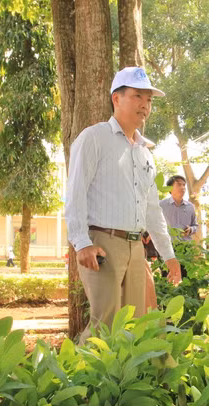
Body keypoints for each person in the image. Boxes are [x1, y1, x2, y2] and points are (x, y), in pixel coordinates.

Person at [65, 66, 181, 339]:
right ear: (116, 99)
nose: (145, 105)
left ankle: (127, 371)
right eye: (137, 96)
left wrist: (169, 255)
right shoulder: (94, 138)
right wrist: (81, 242)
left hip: (135, 247)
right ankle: (78, 368)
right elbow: (75, 192)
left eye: (149, 100)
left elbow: (152, 210)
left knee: (137, 326)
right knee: (104, 325)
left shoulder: (144, 153)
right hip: (103, 244)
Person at [159, 175, 198, 241]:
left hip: (185, 245)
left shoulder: (190, 206)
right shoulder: (161, 205)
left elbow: (195, 226)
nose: (183, 187)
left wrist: (191, 229)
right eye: (179, 185)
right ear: (170, 188)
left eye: (184, 185)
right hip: (167, 244)